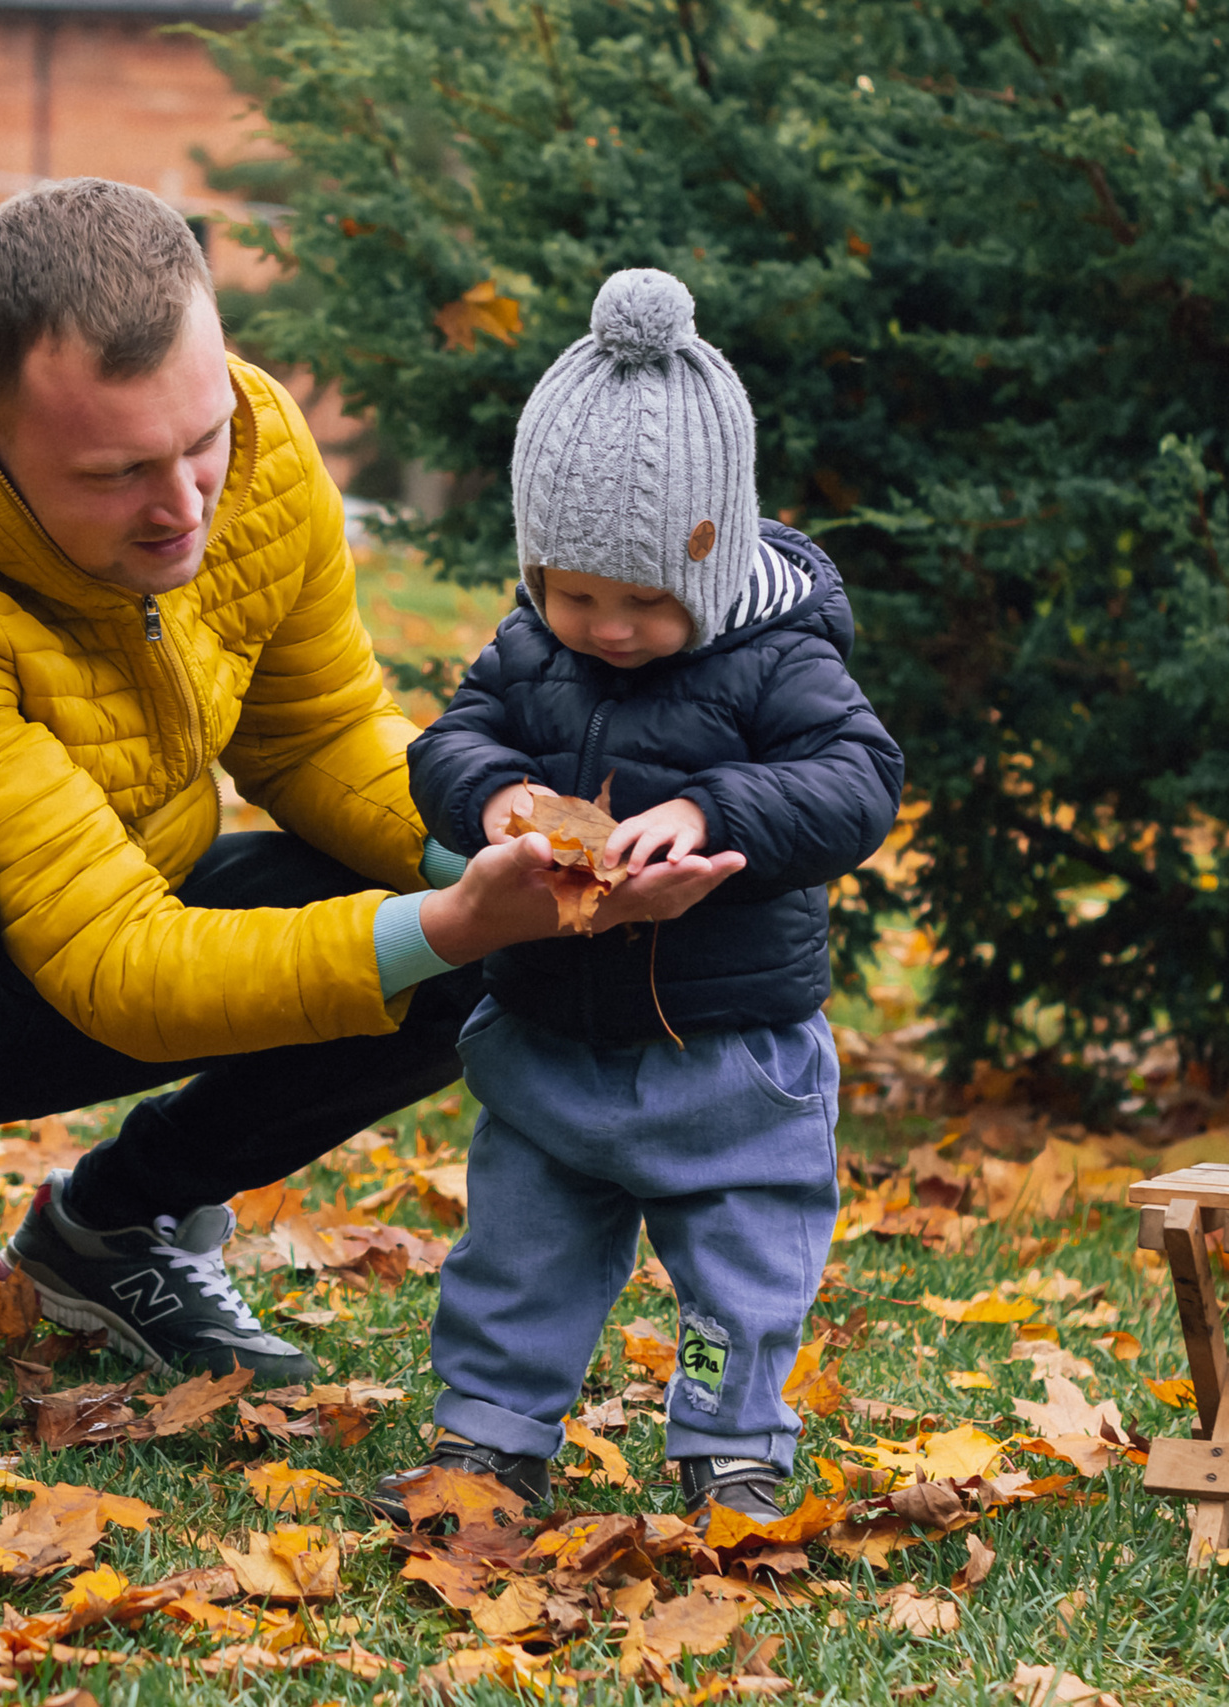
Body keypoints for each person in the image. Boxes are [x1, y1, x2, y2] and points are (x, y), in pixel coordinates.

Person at [0, 183, 742, 1427]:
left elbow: (316, 735)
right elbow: (114, 963)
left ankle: (105, 1236)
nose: (186, 503)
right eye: (116, 472)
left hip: (72, 921)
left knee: (442, 932)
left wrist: (508, 849)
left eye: (197, 440)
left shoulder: (254, 442)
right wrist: (455, 919)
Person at [373, 268, 905, 1524]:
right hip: (551, 1031)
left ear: (710, 564)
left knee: (738, 1266)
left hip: (729, 1052)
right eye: (575, 596)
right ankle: (491, 1441)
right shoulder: (527, 646)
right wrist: (496, 798)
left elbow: (857, 781)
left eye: (644, 602)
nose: (605, 629)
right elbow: (446, 744)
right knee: (515, 1252)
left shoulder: (782, 656)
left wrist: (710, 808)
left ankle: (730, 1446)